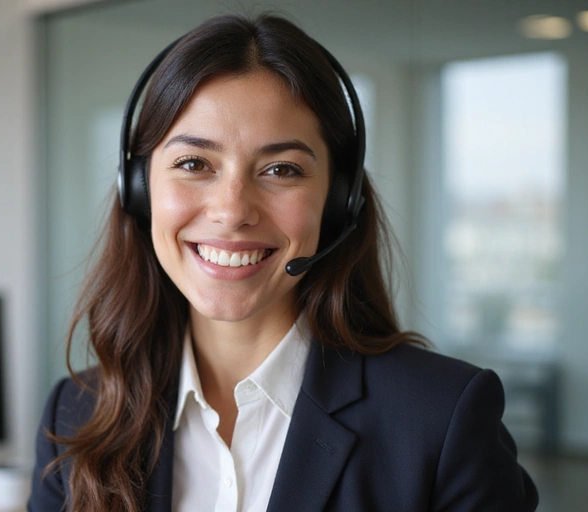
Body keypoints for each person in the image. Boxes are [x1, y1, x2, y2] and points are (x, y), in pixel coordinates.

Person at [27, 13, 538, 512]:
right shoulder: (77, 414)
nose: (231, 211)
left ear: (340, 203)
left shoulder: (441, 418)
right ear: (138, 190)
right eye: (193, 163)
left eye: (281, 169)